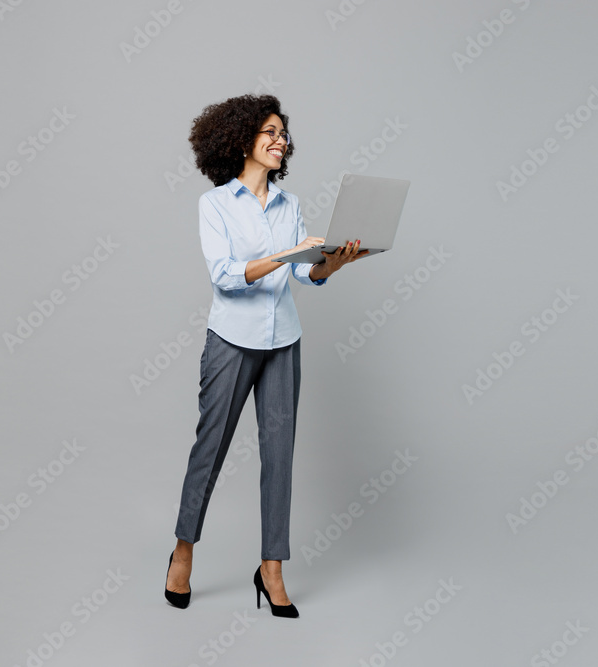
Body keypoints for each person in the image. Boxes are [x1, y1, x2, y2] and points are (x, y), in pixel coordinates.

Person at [164, 94, 366, 617]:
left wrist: (332, 264)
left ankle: (272, 567)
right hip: (231, 340)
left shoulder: (290, 204)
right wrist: (282, 254)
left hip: (283, 342)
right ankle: (183, 549)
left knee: (280, 459)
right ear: (241, 140)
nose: (281, 141)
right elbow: (227, 277)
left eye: (284, 134)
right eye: (270, 133)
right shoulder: (214, 205)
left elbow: (303, 274)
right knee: (209, 451)